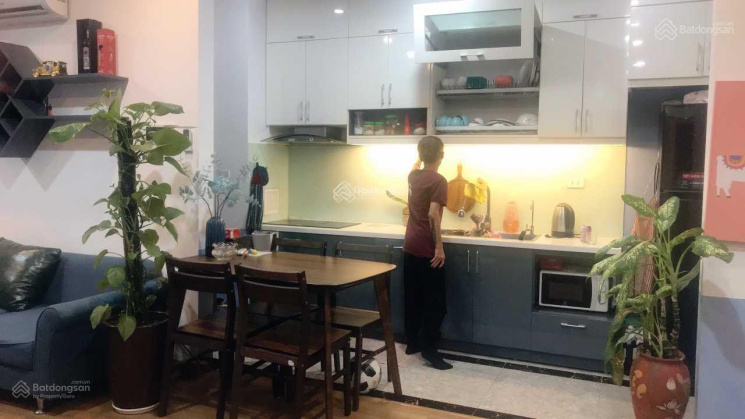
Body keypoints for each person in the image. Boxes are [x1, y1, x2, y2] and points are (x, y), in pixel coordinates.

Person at [403, 136, 452, 370]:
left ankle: (412, 343)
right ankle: (430, 351)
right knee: (435, 304)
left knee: (413, 297)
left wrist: (419, 158)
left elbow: (415, 167)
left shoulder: (413, 176)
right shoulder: (439, 181)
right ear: (441, 155)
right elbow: (433, 214)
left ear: (421, 155)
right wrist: (439, 247)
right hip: (426, 247)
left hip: (410, 245)